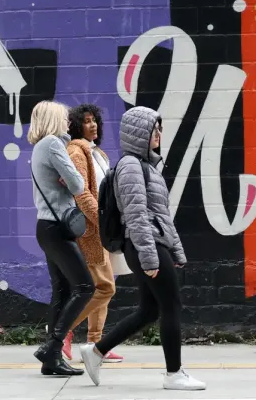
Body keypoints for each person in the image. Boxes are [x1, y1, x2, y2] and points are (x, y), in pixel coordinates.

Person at [79, 106, 206, 390]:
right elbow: (136, 216)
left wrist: (176, 251)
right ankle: (174, 374)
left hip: (150, 244)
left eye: (159, 128)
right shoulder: (131, 166)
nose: (158, 134)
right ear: (138, 133)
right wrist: (150, 258)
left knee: (150, 310)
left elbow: (162, 216)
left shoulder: (146, 166)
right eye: (153, 129)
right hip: (144, 245)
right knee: (171, 305)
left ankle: (96, 352)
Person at [28, 100, 94, 376]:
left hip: (47, 227)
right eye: (64, 117)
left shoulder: (40, 147)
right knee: (85, 287)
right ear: (53, 119)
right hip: (57, 228)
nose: (68, 122)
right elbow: (78, 184)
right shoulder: (53, 144)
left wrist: (69, 179)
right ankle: (52, 347)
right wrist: (72, 179)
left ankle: (51, 360)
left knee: (63, 290)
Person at [62, 104, 124, 363]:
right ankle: (62, 331)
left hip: (103, 230)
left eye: (95, 120)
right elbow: (82, 194)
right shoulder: (76, 152)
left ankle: (96, 345)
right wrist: (101, 221)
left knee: (103, 287)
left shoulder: (98, 153)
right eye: (87, 121)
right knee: (105, 287)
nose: (93, 125)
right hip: (91, 231)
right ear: (77, 126)